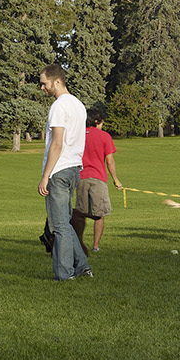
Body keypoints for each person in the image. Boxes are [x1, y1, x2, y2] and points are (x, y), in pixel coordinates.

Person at [37, 64, 91, 281]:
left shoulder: (59, 106)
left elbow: (57, 144)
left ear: (57, 81)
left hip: (59, 172)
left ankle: (64, 274)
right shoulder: (78, 105)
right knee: (65, 224)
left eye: (44, 83)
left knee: (58, 226)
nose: (42, 88)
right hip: (74, 169)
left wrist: (45, 175)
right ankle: (83, 267)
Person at [71, 105, 124, 253]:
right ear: (96, 121)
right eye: (101, 122)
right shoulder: (104, 136)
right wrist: (116, 180)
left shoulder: (77, 135)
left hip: (80, 178)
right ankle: (95, 246)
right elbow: (110, 161)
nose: (102, 125)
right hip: (98, 179)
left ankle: (78, 244)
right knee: (99, 214)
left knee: (81, 214)